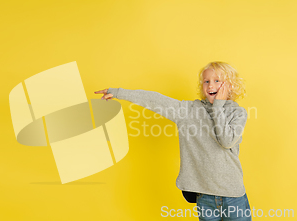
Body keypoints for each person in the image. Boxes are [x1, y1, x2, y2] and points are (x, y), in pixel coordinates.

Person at [94, 61, 251, 221]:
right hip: (204, 197)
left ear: (229, 86)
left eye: (217, 81)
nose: (211, 85)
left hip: (233, 196)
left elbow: (226, 141)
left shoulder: (238, 113)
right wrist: (119, 92)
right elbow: (156, 100)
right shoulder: (188, 111)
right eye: (206, 81)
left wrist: (217, 107)